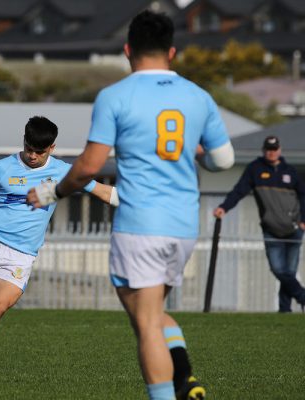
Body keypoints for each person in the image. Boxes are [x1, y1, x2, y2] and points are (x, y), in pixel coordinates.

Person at [27, 10, 234, 400]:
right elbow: (223, 160)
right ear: (172, 51)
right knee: (153, 311)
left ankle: (171, 390)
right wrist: (198, 152)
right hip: (184, 225)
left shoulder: (116, 96)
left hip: (140, 224)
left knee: (144, 317)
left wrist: (52, 192)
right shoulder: (198, 96)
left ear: (127, 50)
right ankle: (185, 377)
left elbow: (89, 166)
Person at [0, 116, 118, 374]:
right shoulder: (1, 168)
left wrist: (140, 203)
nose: (32, 155)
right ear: (24, 141)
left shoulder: (64, 172)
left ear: (51, 148)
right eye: (29, 148)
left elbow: (103, 192)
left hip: (21, 255)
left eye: (39, 152)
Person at [214, 136, 305, 313]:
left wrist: (303, 219)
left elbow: (303, 195)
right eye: (268, 149)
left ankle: (284, 310)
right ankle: (302, 296)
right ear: (263, 150)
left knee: (289, 273)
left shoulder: (290, 171)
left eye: (274, 149)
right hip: (271, 229)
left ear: (280, 150)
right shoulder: (255, 170)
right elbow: (239, 191)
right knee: (279, 269)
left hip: (294, 229)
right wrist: (224, 207)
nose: (271, 152)